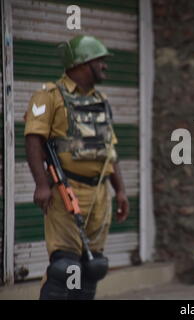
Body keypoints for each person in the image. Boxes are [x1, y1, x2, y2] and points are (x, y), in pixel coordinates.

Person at [24, 35, 129, 300]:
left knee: (93, 267)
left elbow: (110, 152)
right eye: (100, 60)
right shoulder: (50, 96)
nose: (105, 65)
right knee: (65, 268)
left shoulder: (101, 99)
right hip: (66, 190)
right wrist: (41, 183)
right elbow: (34, 139)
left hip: (100, 194)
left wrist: (121, 191)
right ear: (82, 62)